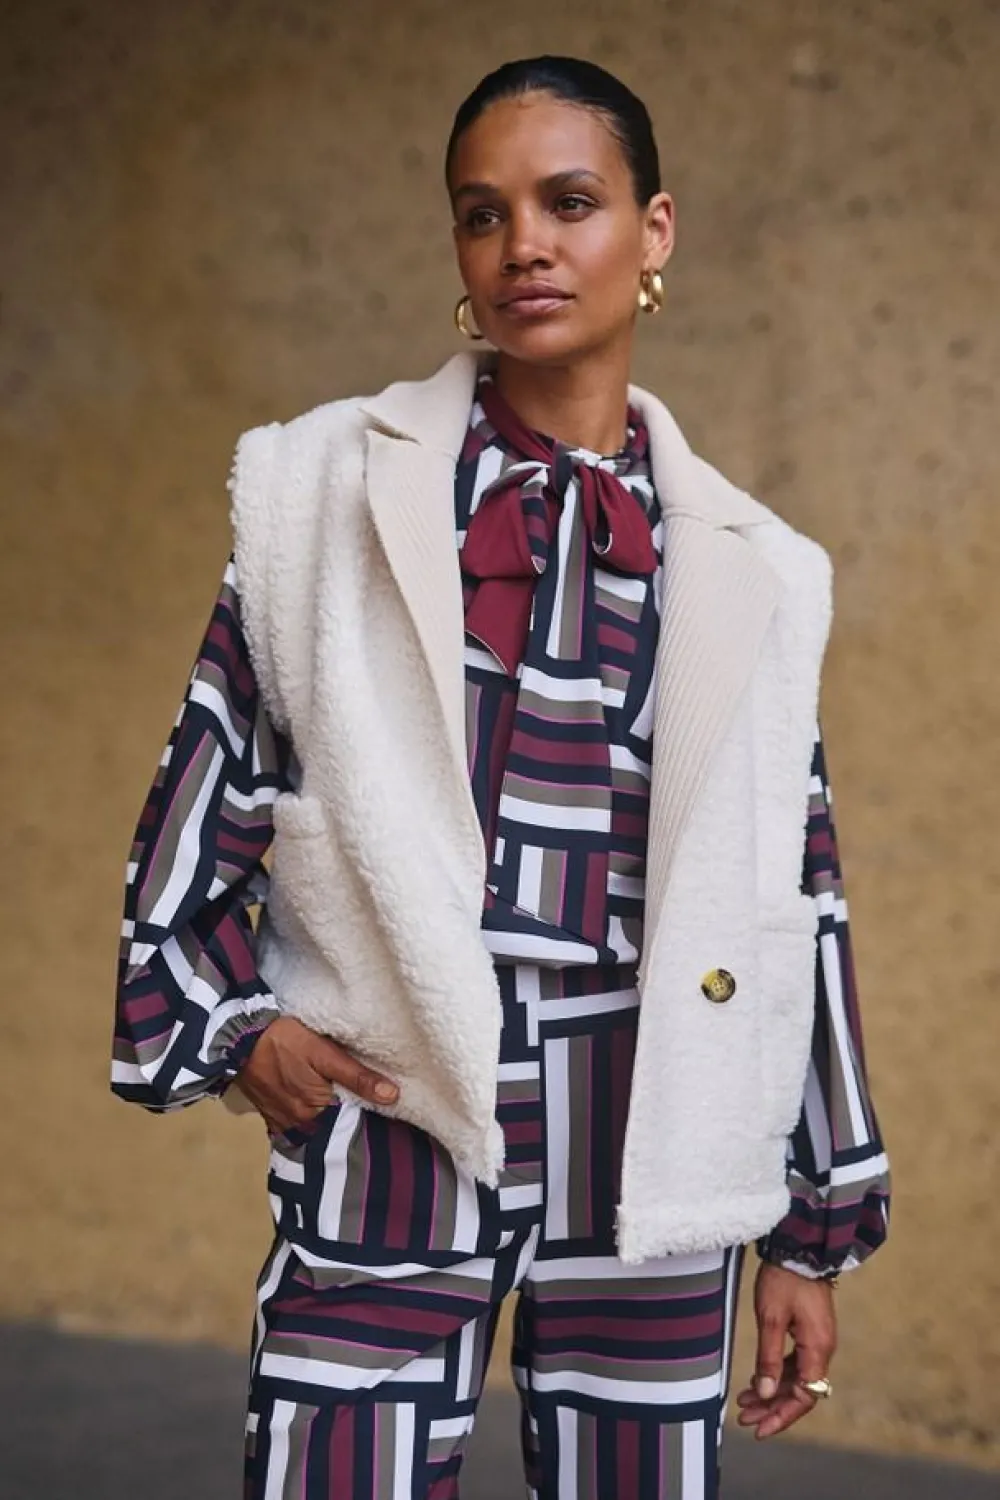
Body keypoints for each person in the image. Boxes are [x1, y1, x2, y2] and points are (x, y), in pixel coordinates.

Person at [112, 55, 889, 1500]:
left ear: (654, 231)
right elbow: (210, 785)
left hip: (656, 1140)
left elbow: (800, 897)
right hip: (401, 1113)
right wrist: (237, 1032)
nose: (524, 243)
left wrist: (810, 1223)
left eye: (569, 202)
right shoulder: (324, 492)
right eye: (484, 213)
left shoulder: (762, 569)